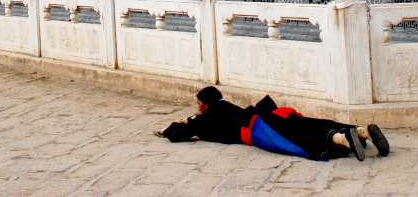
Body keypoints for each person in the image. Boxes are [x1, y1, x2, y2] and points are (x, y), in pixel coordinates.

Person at [156, 86, 389, 162]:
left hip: (257, 130)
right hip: (267, 114)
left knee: (297, 141)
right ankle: (361, 131)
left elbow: (181, 131)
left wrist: (168, 129)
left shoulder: (205, 118)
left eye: (199, 104)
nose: (198, 108)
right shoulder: (226, 105)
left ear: (206, 104)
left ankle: (341, 139)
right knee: (308, 124)